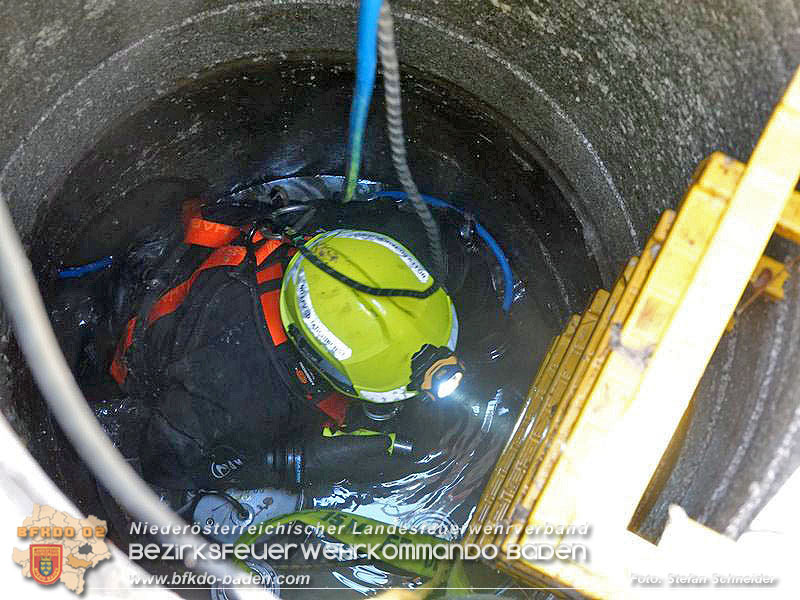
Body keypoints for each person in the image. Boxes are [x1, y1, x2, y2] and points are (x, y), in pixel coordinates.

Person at [106, 194, 463, 492]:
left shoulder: (380, 242)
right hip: (180, 335)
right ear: (314, 362)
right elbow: (164, 469)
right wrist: (288, 464)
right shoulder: (230, 391)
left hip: (243, 268)